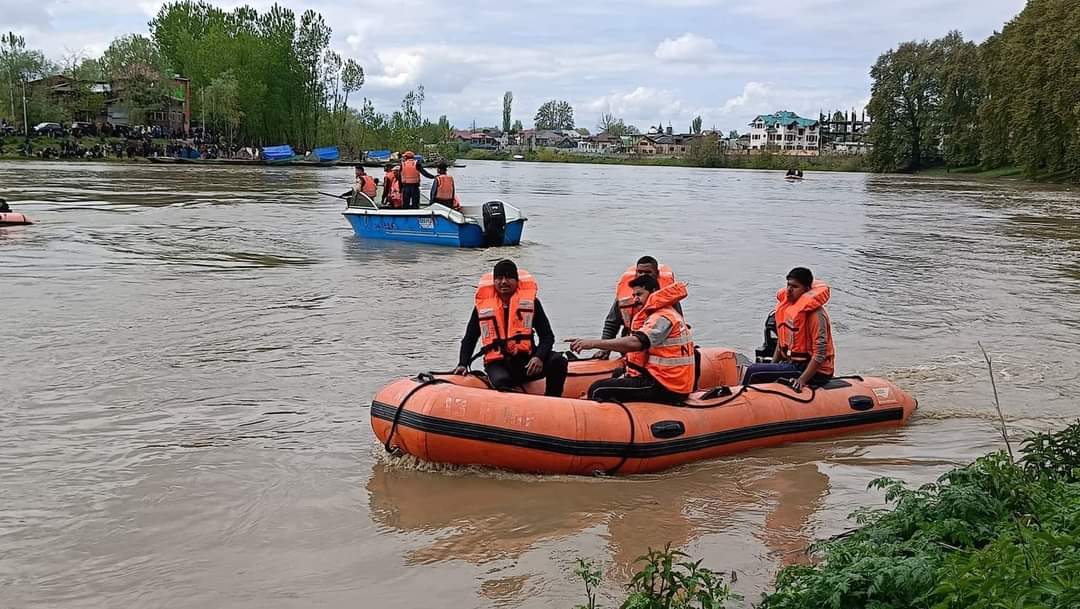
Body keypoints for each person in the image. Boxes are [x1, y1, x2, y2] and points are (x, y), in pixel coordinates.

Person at [567, 274, 695, 405]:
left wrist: (593, 344)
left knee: (598, 388)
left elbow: (636, 343)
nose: (635, 299)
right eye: (634, 295)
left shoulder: (663, 317)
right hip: (665, 380)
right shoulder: (663, 312)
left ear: (654, 292)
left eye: (639, 294)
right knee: (618, 373)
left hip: (665, 386)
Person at [453, 260, 568, 397]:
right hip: (498, 363)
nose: (503, 282)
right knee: (502, 382)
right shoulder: (482, 307)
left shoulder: (532, 303)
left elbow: (547, 337)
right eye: (499, 278)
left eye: (509, 278)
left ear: (517, 281)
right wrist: (463, 364)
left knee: (559, 361)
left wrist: (539, 357)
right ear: (494, 281)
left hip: (527, 361)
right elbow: (470, 339)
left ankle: (552, 400)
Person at [741, 267, 834, 390]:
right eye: (788, 285)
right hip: (793, 363)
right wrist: (772, 366)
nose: (789, 290)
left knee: (753, 371)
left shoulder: (816, 315)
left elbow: (820, 354)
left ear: (806, 290)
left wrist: (802, 380)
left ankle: (739, 400)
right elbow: (781, 343)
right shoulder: (788, 308)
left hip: (814, 371)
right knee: (758, 369)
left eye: (795, 287)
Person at [596, 256, 681, 359]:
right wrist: (605, 349)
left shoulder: (669, 300)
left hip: (659, 351)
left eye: (648, 272)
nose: (643, 275)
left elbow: (679, 328)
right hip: (632, 347)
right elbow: (612, 323)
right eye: (640, 272)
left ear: (657, 273)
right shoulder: (625, 296)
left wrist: (593, 343)